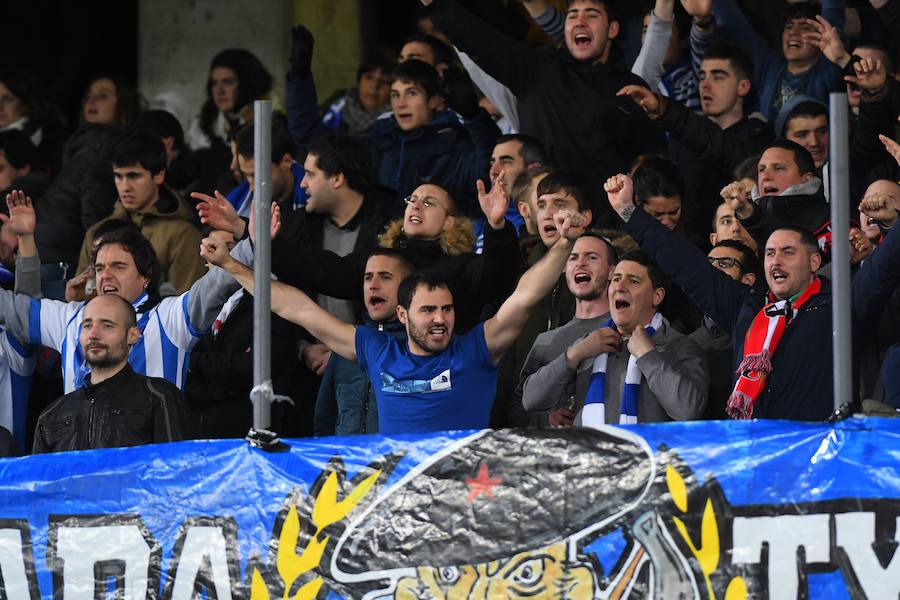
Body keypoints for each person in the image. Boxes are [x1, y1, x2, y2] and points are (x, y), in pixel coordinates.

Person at [202, 208, 586, 434]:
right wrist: (233, 265)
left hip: (462, 499)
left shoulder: (476, 350)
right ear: (403, 315)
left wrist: (564, 246)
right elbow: (298, 309)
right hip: (395, 502)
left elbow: (525, 296)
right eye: (428, 310)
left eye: (447, 310)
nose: (440, 320)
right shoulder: (377, 349)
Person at [607, 172, 900, 420]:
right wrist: (631, 214)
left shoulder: (839, 306)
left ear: (814, 263)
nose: (775, 261)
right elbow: (687, 264)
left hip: (816, 458)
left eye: (788, 252)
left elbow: (884, 267)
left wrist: (893, 224)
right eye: (770, 253)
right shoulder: (746, 308)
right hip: (750, 453)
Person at [420, 0, 667, 223]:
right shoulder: (538, 68)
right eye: (572, 16)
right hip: (541, 222)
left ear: (612, 29)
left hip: (606, 227)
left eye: (591, 15)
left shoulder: (631, 89)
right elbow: (480, 40)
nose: (579, 21)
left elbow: (650, 164)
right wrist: (436, 5)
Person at [0, 208, 240, 394]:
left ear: (145, 275)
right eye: (100, 268)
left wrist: (248, 236)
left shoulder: (169, 317)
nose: (106, 275)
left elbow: (216, 285)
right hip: (85, 457)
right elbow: (13, 307)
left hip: (149, 458)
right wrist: (25, 239)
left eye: (119, 266)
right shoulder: (68, 318)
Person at [268, 180, 520, 334]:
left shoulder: (463, 267)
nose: (416, 205)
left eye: (429, 203)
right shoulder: (380, 260)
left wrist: (497, 227)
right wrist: (268, 244)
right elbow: (321, 270)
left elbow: (496, 279)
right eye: (413, 199)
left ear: (449, 222)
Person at [521, 249, 708, 424]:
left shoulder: (681, 346)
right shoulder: (589, 345)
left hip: (648, 457)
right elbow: (531, 401)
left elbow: (688, 410)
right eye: (616, 279)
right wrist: (574, 355)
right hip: (589, 456)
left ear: (656, 296)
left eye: (633, 281)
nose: (620, 286)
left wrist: (648, 355)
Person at [32, 294, 191, 453]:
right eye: (87, 325)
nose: (93, 335)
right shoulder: (51, 416)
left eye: (107, 325)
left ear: (133, 335)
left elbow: (178, 471)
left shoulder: (160, 397)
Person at [33, 75, 142, 299]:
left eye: (103, 96)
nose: (92, 101)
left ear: (123, 105)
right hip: (60, 254)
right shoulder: (102, 141)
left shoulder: (101, 141)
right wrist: (103, 253)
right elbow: (95, 201)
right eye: (88, 96)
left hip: (48, 251)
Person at [76, 134, 206, 294]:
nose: (125, 186)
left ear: (159, 176)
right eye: (118, 176)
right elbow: (83, 297)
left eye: (133, 176)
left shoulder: (183, 235)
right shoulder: (95, 233)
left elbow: (189, 308)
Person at [369, 59, 499, 216]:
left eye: (411, 93)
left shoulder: (455, 141)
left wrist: (474, 116)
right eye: (395, 95)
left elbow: (486, 172)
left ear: (433, 100)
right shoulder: (381, 133)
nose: (401, 104)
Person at [515, 233, 615, 427]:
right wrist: (546, 420)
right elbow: (517, 410)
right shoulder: (545, 342)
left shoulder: (629, 330)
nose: (581, 264)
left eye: (592, 257)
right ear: (564, 269)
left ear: (612, 271)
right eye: (573, 258)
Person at [315, 249, 414, 436]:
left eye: (385, 277)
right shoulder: (347, 344)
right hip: (346, 461)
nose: (373, 285)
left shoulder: (419, 348)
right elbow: (324, 418)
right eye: (368, 278)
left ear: (407, 288)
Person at [705, 0, 845, 121]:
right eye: (789, 26)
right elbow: (735, 26)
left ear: (823, 37)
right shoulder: (770, 68)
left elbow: (833, 11)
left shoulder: (828, 71)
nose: (793, 32)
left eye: (805, 27)